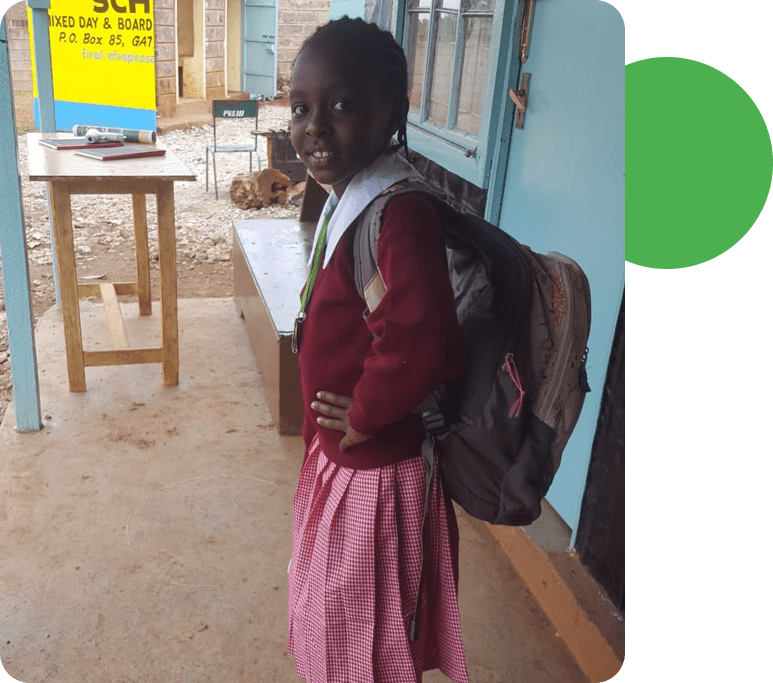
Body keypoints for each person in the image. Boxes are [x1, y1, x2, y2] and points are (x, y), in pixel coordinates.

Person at [286, 16, 469, 683]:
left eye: (339, 105)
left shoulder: (398, 212)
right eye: (300, 108)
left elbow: (423, 338)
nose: (314, 126)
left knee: (359, 617)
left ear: (392, 111)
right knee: (340, 609)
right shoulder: (350, 198)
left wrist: (364, 412)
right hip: (344, 458)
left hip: (377, 466)